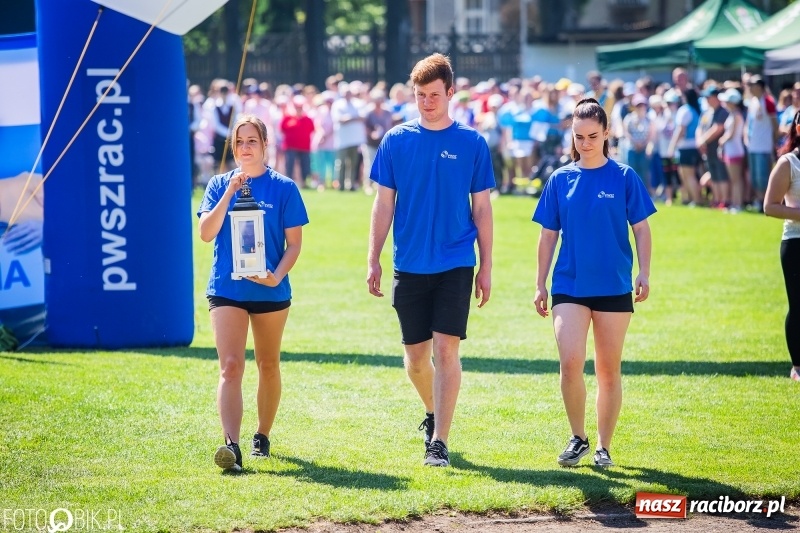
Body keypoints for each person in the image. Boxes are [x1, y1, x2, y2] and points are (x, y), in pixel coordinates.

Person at [366, 53, 494, 467]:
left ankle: (439, 440)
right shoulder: (396, 140)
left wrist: (486, 265)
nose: (426, 102)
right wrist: (373, 258)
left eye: (434, 95)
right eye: (420, 95)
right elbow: (383, 205)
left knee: (445, 350)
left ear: (451, 93)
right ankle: (433, 412)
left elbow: (483, 210)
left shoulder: (472, 143)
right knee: (416, 359)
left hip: (456, 261)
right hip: (409, 263)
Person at [532, 98, 656, 468]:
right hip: (569, 284)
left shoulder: (623, 177)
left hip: (614, 286)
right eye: (578, 136)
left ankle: (603, 445)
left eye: (592, 136)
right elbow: (548, 236)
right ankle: (578, 437)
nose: (585, 143)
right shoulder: (560, 179)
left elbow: (642, 229)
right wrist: (540, 283)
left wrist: (644, 271)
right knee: (570, 362)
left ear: (606, 134)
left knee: (607, 368)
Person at [198, 114, 309, 472]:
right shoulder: (218, 184)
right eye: (239, 141)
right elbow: (205, 232)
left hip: (270, 291)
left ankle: (262, 435)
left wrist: (275, 277)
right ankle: (231, 445)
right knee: (230, 366)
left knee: (268, 364)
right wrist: (230, 190)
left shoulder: (284, 188)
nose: (245, 148)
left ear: (265, 145)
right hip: (227, 289)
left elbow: (294, 245)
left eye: (252, 141)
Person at [764, 109, 800, 383]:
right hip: (796, 242)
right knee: (798, 305)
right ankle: (797, 365)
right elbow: (770, 206)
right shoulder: (788, 163)